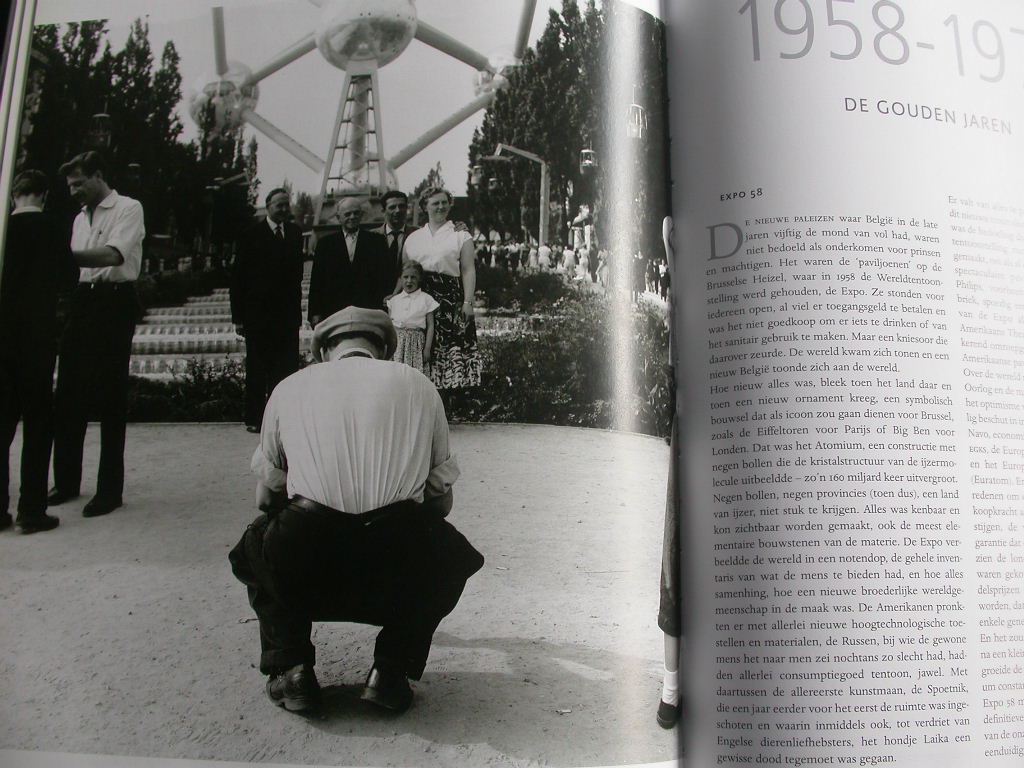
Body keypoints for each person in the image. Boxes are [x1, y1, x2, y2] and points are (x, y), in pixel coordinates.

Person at [229, 307, 483, 714]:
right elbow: (441, 503)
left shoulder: (289, 387)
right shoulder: (418, 385)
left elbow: (265, 500)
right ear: (382, 348)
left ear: (325, 349)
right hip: (392, 556)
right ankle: (390, 671)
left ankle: (292, 668)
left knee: (256, 546)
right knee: (450, 555)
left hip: (308, 554)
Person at [48, 151, 144, 519]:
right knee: (68, 392)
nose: (73, 191)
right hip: (83, 303)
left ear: (98, 175)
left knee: (109, 396)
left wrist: (60, 257)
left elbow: (111, 257)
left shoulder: (128, 208)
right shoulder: (78, 218)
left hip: (115, 304)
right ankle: (68, 481)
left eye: (78, 183)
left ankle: (109, 491)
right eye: (69, 185)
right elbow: (79, 267)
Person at [1, 170, 76, 533]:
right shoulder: (51, 227)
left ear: (15, 195)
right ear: (43, 195)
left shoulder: (3, 228)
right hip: (37, 337)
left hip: (1, 338)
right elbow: (68, 277)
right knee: (37, 423)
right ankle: (32, 509)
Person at [230, 187, 305, 433]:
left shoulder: (294, 233)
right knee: (257, 368)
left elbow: (296, 277)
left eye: (287, 205)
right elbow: (238, 278)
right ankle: (254, 418)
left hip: (286, 315)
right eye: (279, 205)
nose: (284, 209)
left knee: (286, 369)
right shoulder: (250, 234)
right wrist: (238, 318)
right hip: (257, 315)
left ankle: (284, 418)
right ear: (268, 206)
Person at [402, 187, 481, 390]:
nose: (440, 207)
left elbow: (468, 270)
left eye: (444, 202)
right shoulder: (413, 238)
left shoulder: (461, 236)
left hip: (450, 298)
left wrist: (468, 302)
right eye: (435, 203)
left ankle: (450, 400)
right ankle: (421, 392)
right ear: (425, 206)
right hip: (420, 297)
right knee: (421, 344)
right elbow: (405, 272)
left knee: (450, 346)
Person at [306, 196, 390, 326]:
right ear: (338, 217)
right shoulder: (325, 244)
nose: (352, 217)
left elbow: (384, 277)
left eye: (356, 213)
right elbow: (317, 281)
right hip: (334, 312)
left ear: (361, 215)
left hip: (368, 312)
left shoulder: (376, 242)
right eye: (347, 214)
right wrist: (314, 313)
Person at [386, 260, 438, 376]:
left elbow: (430, 326)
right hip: (398, 344)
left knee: (414, 376)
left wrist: (427, 349)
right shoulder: (394, 301)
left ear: (419, 279)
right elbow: (389, 327)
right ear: (400, 279)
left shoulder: (426, 299)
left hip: (416, 344)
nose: (409, 281)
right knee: (397, 375)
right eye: (405, 277)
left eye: (413, 277)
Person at [371, 189, 417, 289]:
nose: (398, 210)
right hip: (377, 294)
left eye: (401, 206)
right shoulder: (371, 236)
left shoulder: (417, 234)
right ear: (383, 211)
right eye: (392, 207)